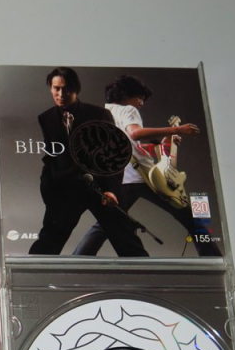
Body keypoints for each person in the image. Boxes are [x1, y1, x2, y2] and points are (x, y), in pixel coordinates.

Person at [72, 75, 222, 257]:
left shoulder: (103, 113)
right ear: (126, 94)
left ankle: (78, 258)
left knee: (107, 223)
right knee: (188, 217)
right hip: (145, 177)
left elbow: (127, 144)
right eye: (140, 97)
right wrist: (177, 129)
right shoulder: (128, 110)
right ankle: (212, 257)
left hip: (121, 179)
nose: (141, 103)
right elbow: (135, 133)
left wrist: (160, 142)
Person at [29, 67, 148, 257]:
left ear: (76, 89)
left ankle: (146, 272)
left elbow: (114, 155)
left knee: (126, 239)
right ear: (51, 88)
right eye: (56, 88)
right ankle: (30, 274)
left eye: (66, 89)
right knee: (48, 242)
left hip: (100, 189)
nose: (61, 94)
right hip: (66, 191)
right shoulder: (46, 118)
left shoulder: (98, 114)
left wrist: (111, 190)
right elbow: (51, 157)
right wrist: (49, 190)